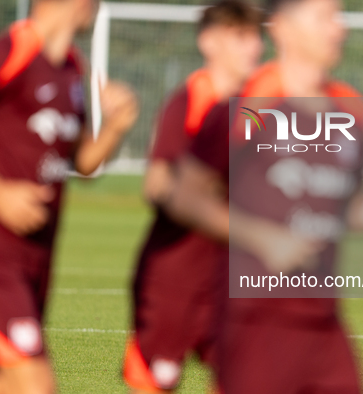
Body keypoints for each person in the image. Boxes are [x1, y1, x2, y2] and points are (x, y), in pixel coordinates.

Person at [166, 0, 363, 392]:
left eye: (339, 17)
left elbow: (342, 211)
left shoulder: (354, 110)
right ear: (283, 29)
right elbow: (184, 196)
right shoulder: (252, 101)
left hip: (323, 319)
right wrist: (263, 237)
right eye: (324, 17)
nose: (337, 28)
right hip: (254, 318)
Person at [0, 0, 138, 392]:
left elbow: (82, 162)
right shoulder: (9, 51)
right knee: (36, 384)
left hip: (34, 253)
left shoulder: (71, 68)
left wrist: (115, 127)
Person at [122, 1, 263, 392]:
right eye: (240, 36)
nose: (253, 47)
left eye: (255, 36)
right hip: (174, 280)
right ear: (209, 42)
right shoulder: (191, 101)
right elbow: (156, 184)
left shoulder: (255, 106)